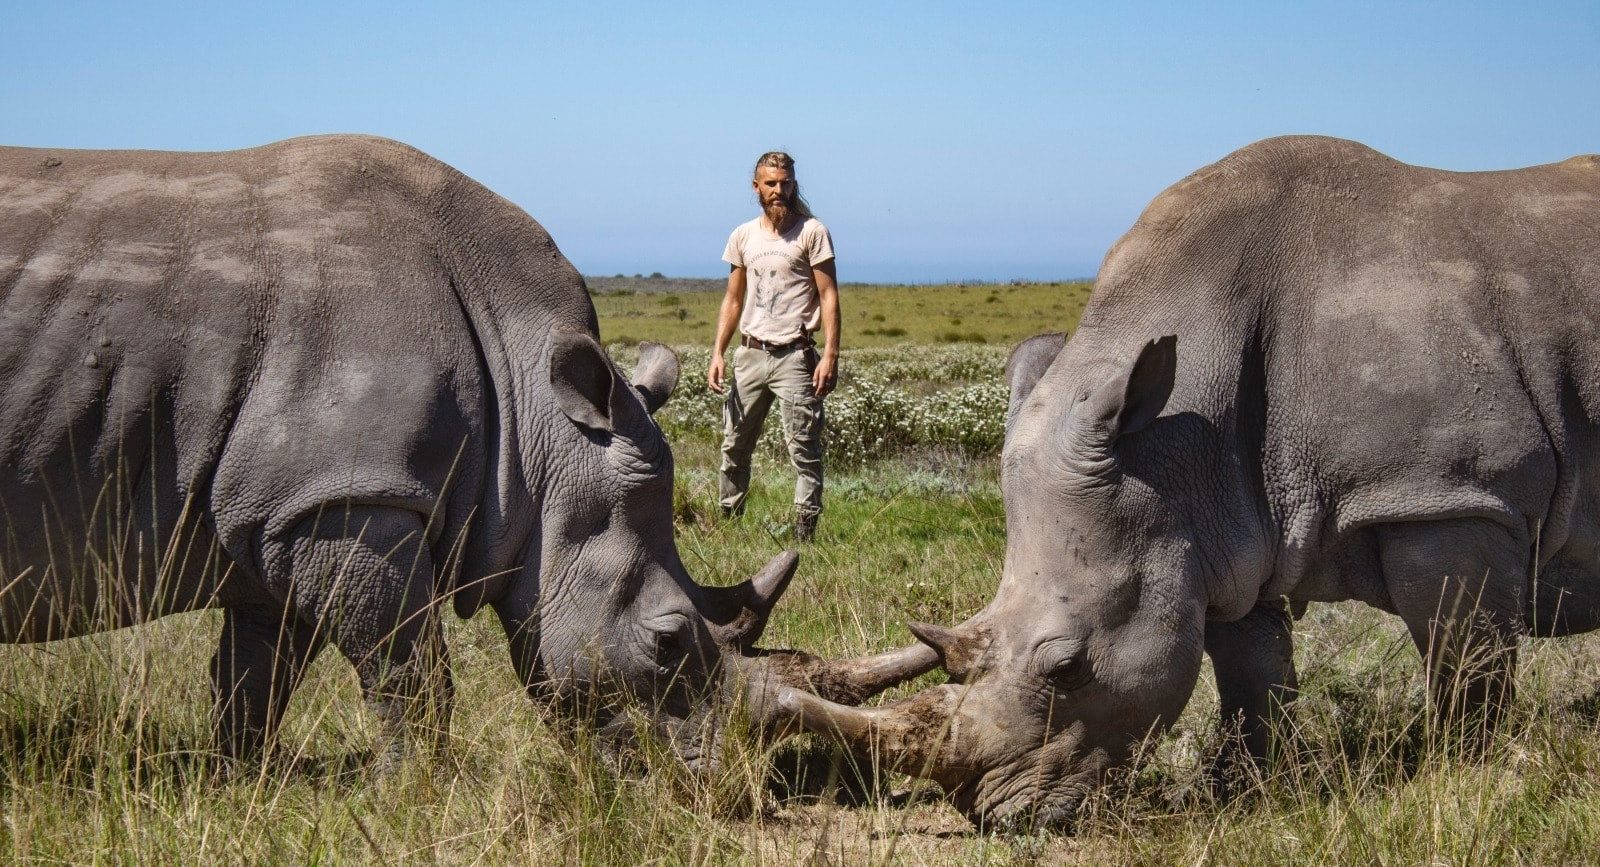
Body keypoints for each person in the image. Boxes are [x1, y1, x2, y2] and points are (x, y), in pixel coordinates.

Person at [707, 151, 839, 541]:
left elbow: (829, 295)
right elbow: (733, 299)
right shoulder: (743, 235)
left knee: (803, 448)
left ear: (794, 185)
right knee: (734, 445)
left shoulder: (812, 232)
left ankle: (804, 535)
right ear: (756, 187)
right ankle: (729, 524)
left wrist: (830, 354)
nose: (778, 190)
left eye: (785, 183)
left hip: (795, 356)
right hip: (750, 354)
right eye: (770, 184)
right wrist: (718, 352)